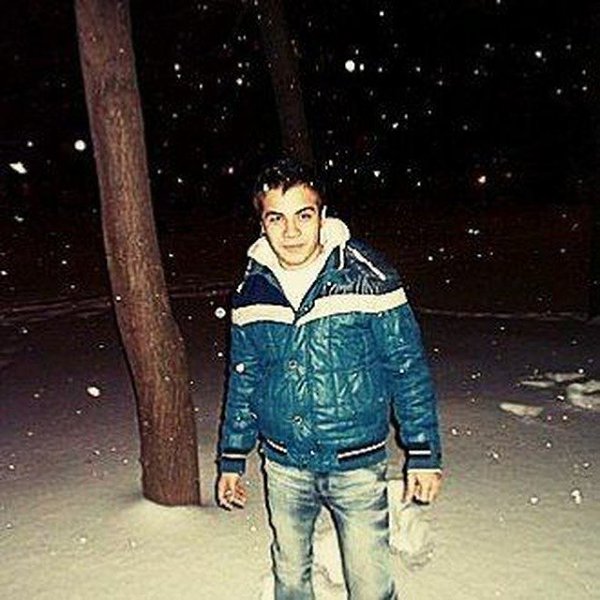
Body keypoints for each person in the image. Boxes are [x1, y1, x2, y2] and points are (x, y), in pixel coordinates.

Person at [217, 157, 442, 600]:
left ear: (322, 215)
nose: (291, 231)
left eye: (303, 215)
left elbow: (406, 367)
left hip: (356, 463)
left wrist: (423, 452)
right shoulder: (251, 291)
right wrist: (232, 457)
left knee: (371, 585)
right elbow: (244, 379)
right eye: (276, 218)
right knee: (290, 578)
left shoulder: (368, 277)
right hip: (284, 464)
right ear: (262, 224)